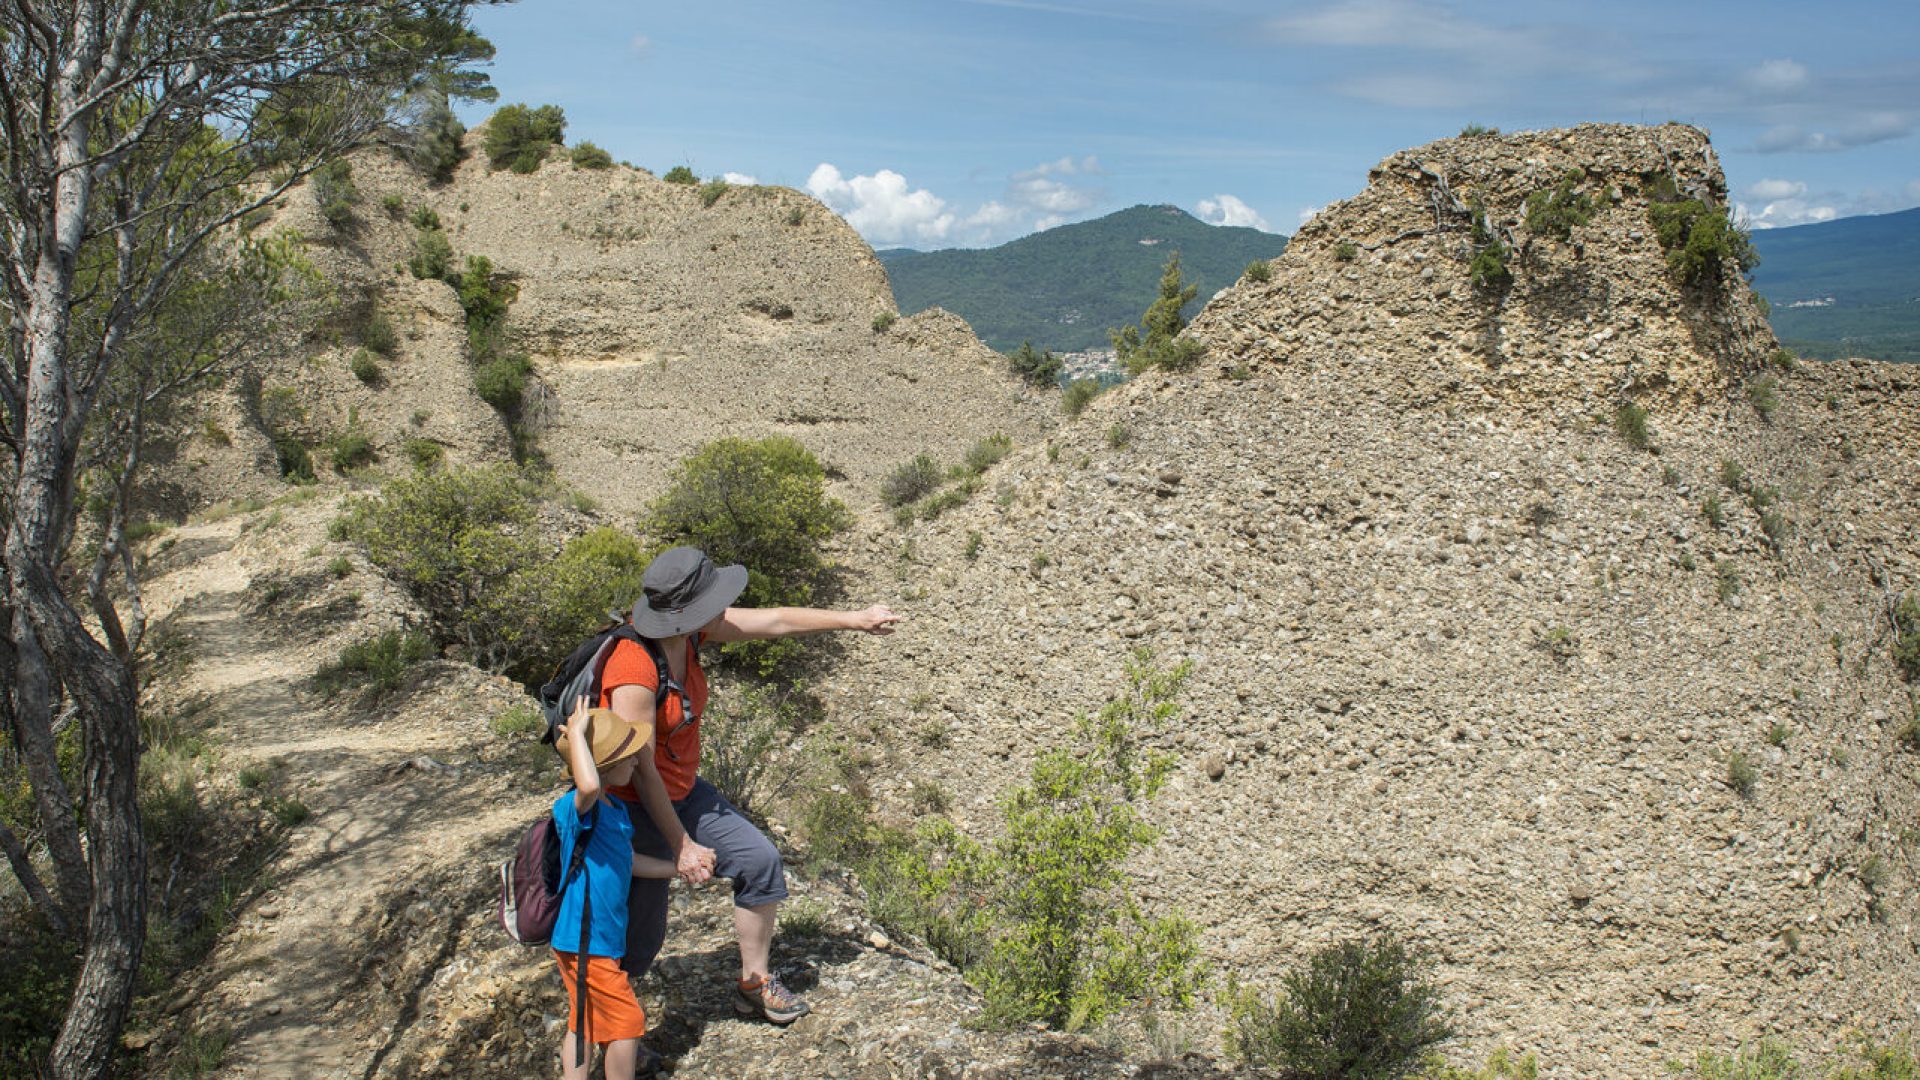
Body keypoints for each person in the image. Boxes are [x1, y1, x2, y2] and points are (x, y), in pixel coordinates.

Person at [599, 546, 898, 1024]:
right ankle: (612, 1041)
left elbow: (776, 620)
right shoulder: (633, 669)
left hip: (683, 791)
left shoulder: (691, 633)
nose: (722, 607)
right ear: (682, 610)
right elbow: (640, 767)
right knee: (634, 944)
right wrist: (682, 845)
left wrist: (855, 619)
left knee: (760, 862)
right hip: (632, 809)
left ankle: (753, 984)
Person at [552, 702, 677, 1080]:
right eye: (627, 756)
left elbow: (629, 861)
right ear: (602, 764)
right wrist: (577, 735)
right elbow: (587, 784)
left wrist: (677, 869)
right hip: (584, 939)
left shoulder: (615, 809)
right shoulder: (574, 808)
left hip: (600, 938)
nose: (636, 762)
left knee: (583, 1019)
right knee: (627, 1022)